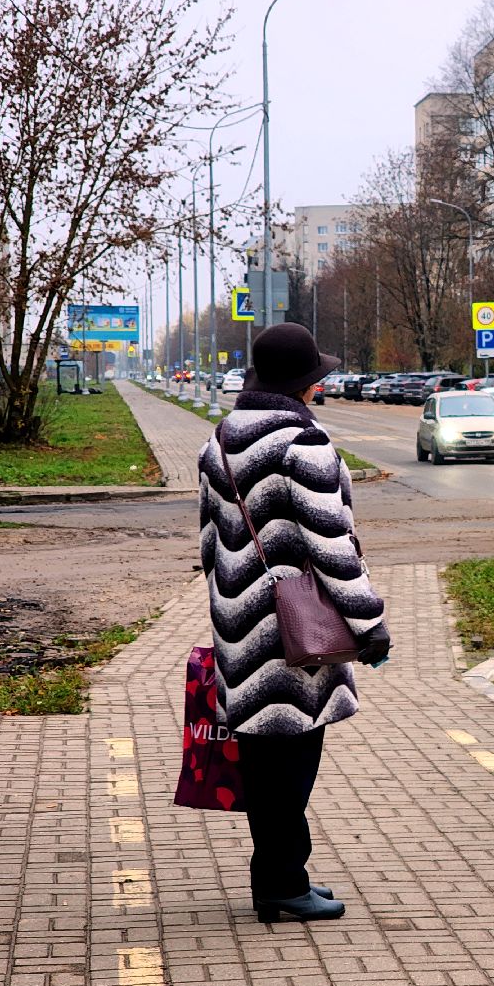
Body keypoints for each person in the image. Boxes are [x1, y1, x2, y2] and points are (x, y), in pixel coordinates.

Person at [197, 322, 391, 923]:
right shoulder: (302, 446)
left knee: (261, 760)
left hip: (240, 626)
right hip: (292, 635)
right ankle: (282, 884)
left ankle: (282, 874)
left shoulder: (221, 440)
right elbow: (333, 548)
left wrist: (231, 608)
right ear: (309, 382)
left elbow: (208, 544)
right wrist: (370, 625)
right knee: (293, 763)